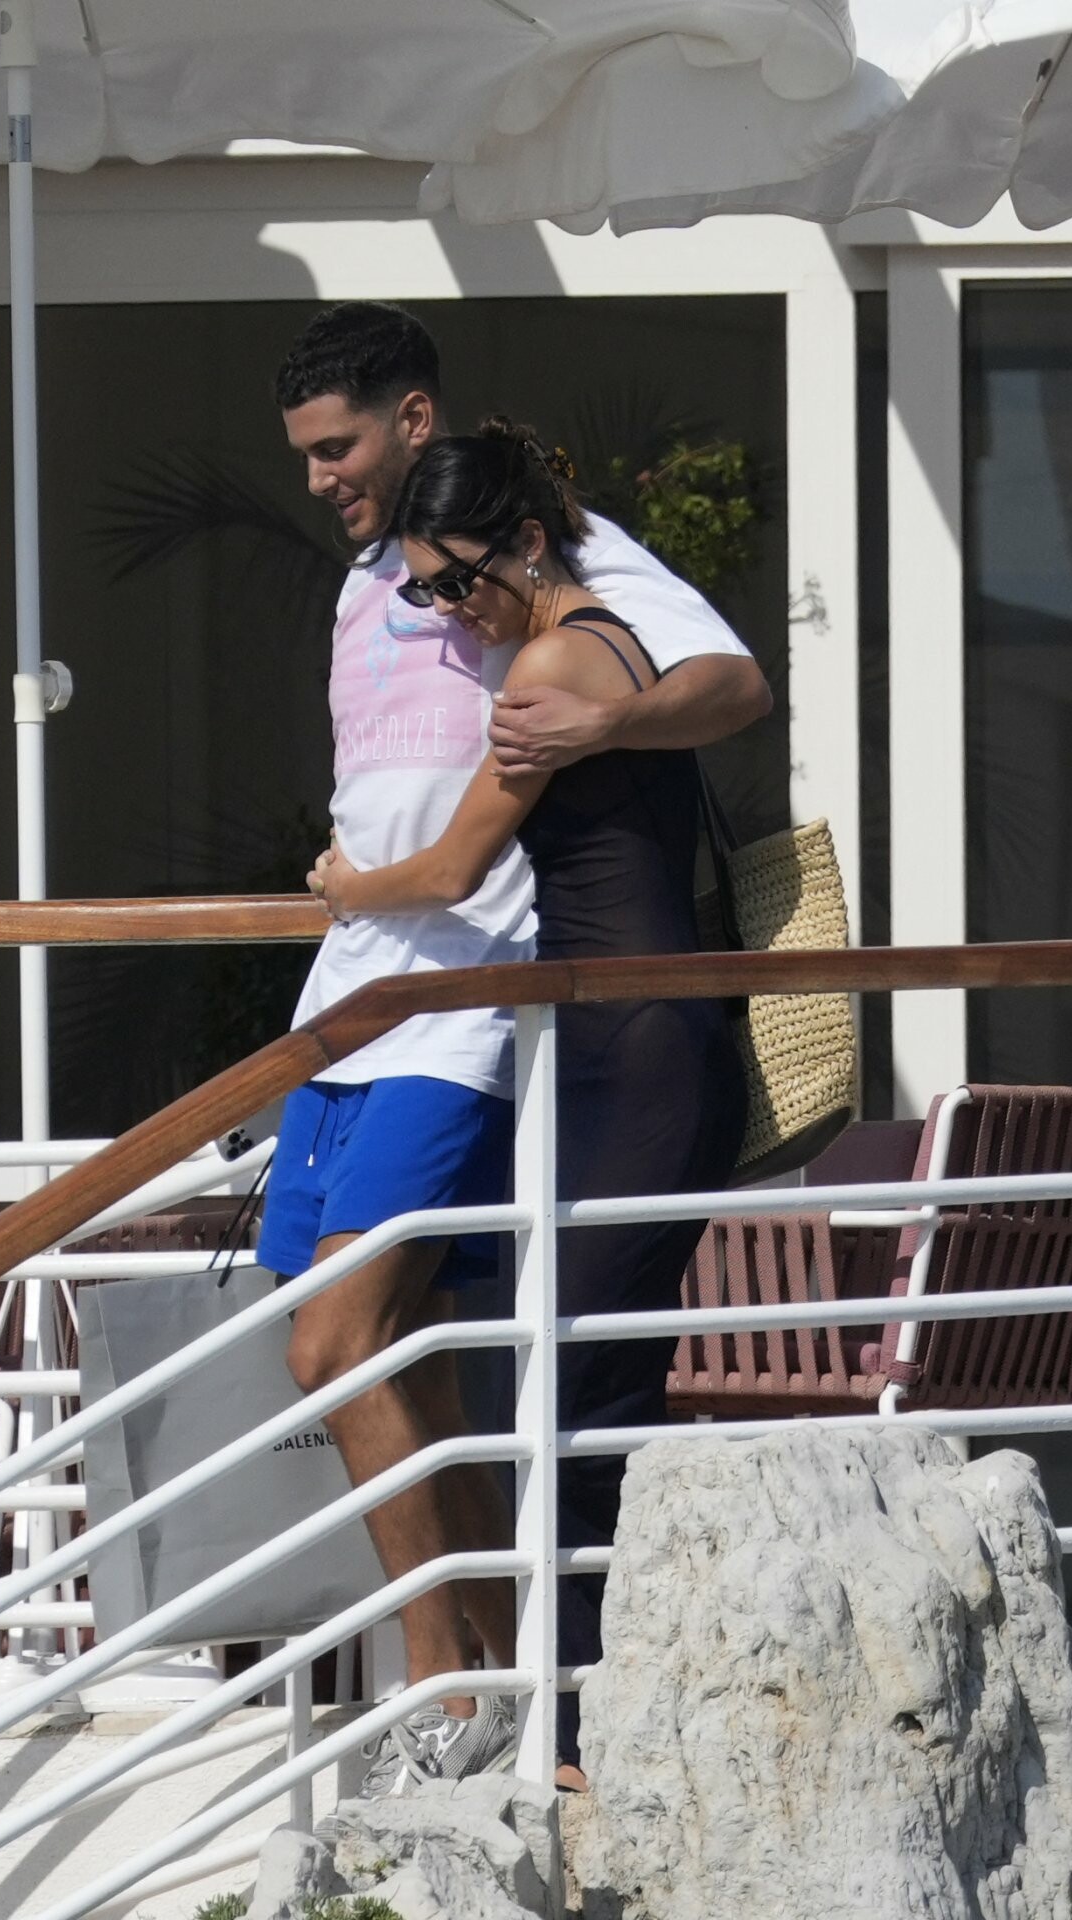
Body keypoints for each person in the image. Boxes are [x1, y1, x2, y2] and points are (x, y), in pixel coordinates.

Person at [257, 302, 768, 1803]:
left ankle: (523, 1711)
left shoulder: (563, 616)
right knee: (490, 1367)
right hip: (468, 1019)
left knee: (542, 1374)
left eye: (337, 447)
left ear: (417, 425)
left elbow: (731, 684)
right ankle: (528, 1689)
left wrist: (595, 731)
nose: (444, 612)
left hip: (540, 1016)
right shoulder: (418, 592)